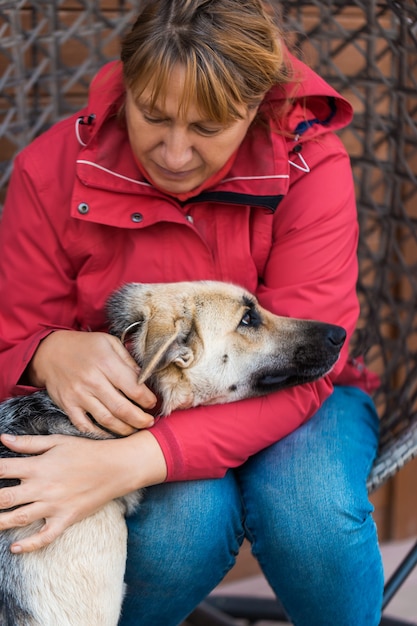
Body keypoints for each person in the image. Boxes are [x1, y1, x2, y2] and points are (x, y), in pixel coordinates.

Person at [0, 1, 384, 624]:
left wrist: (126, 463)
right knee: (185, 529)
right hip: (138, 410)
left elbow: (311, 360)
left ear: (256, 104)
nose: (175, 153)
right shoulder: (50, 172)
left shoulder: (310, 167)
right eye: (153, 116)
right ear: (129, 86)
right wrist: (46, 350)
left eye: (208, 128)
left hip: (300, 393)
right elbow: (11, 338)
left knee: (310, 513)